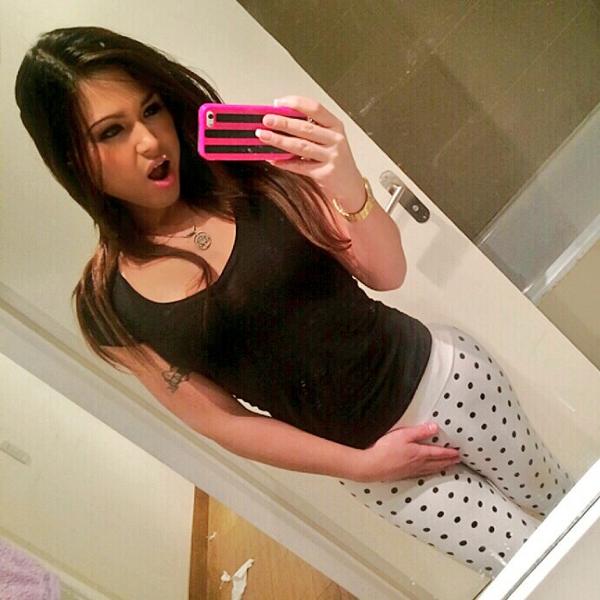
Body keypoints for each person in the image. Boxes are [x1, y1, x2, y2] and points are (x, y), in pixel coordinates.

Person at [15, 26, 572, 578]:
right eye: (111, 131)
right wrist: (362, 465)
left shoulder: (250, 176)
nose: (150, 141)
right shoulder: (109, 307)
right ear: (71, 158)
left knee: (566, 506)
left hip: (451, 382)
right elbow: (225, 422)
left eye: (152, 109)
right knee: (540, 573)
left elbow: (387, 273)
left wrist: (344, 177)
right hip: (383, 472)